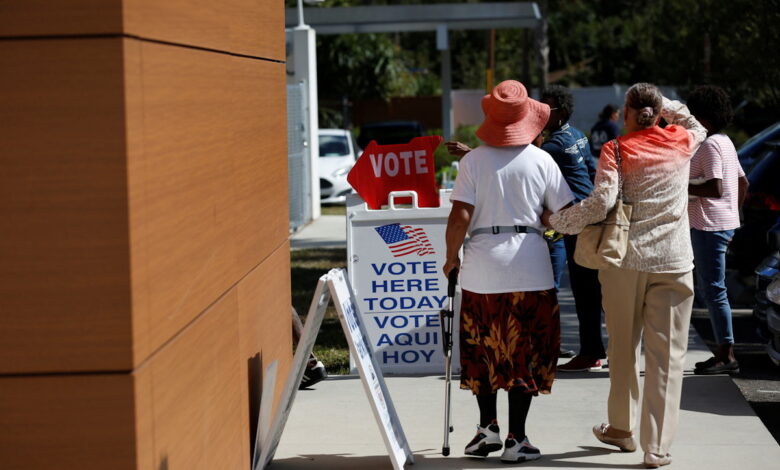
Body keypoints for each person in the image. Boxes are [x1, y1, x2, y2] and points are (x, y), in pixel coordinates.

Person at [545, 83, 706, 468]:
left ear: (629, 114)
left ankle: (621, 429)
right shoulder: (682, 141)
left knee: (621, 350)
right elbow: (694, 122)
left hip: (625, 261)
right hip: (673, 261)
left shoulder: (617, 149)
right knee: (666, 359)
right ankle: (657, 449)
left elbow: (601, 201)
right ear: (657, 111)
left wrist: (558, 222)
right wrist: (662, 103)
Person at [443, 80, 573, 463]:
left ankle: (487, 428)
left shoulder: (472, 161)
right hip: (531, 267)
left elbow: (460, 216)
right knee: (526, 353)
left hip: (484, 269)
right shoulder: (542, 161)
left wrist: (452, 258)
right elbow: (561, 215)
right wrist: (547, 220)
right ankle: (517, 437)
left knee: (484, 349)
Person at [539, 86, 607, 370]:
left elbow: (522, 163)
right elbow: (592, 173)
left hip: (575, 223)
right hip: (587, 217)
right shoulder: (578, 135)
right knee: (590, 290)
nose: (542, 112)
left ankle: (591, 353)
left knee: (585, 291)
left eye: (547, 108)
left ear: (562, 112)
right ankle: (593, 350)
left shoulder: (552, 146)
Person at [686, 85, 749, 375]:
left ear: (704, 118)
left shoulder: (710, 144)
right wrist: (734, 216)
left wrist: (677, 186)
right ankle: (725, 351)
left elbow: (716, 186)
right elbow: (742, 183)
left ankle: (726, 354)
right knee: (713, 289)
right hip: (722, 223)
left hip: (708, 225)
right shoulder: (725, 141)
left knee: (713, 290)